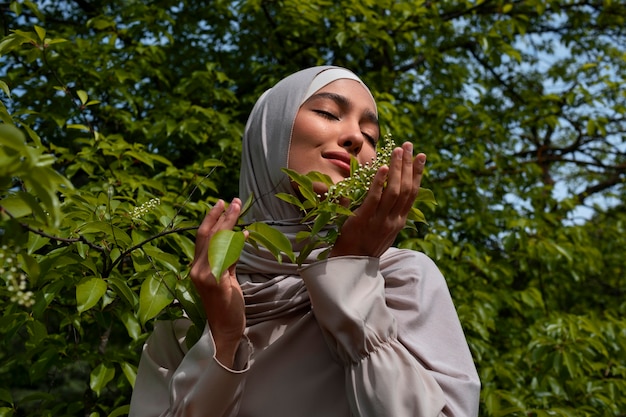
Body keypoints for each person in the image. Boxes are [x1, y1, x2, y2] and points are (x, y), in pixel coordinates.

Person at [129, 66, 480, 417]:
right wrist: (223, 339)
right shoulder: (195, 302)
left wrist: (352, 282)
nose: (356, 137)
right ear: (273, 132)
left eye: (370, 135)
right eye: (328, 113)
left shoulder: (401, 279)